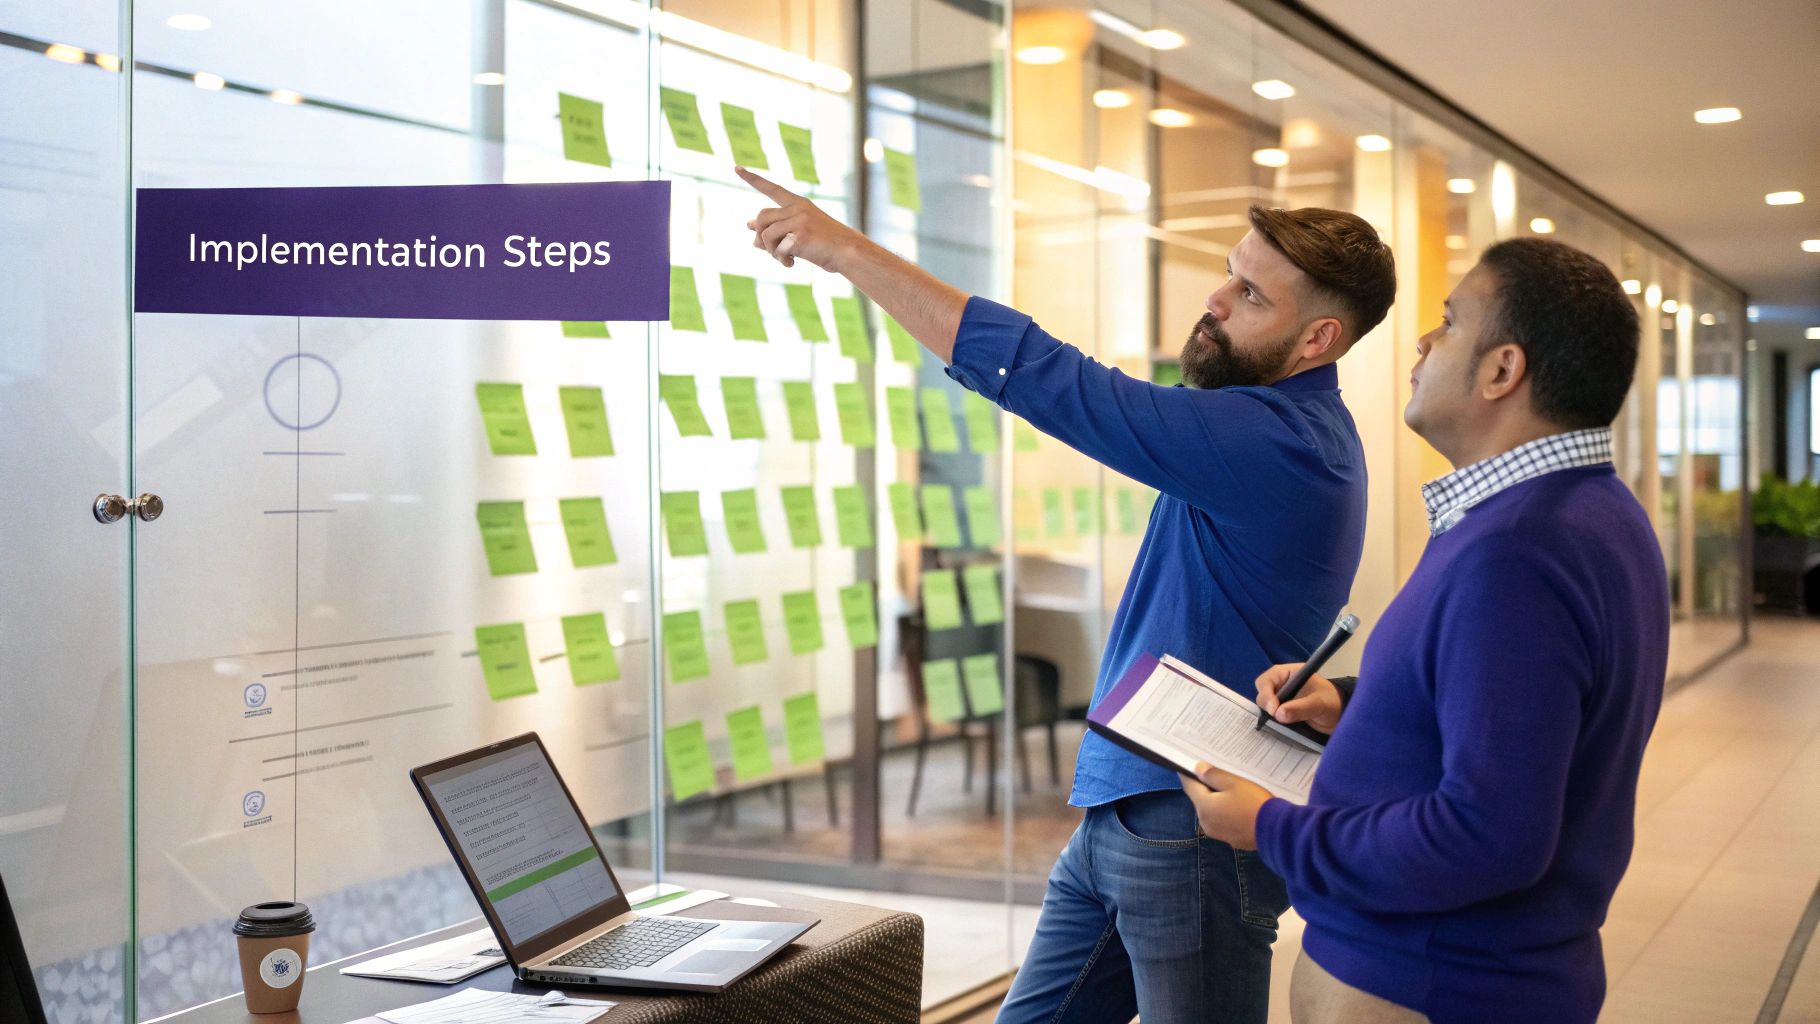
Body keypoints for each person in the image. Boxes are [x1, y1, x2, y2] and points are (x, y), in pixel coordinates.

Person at [739, 167, 1395, 1023]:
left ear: (1318, 339)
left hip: (1192, 828)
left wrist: (847, 252)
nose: (1215, 302)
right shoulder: (1272, 427)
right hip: (1131, 813)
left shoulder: (1278, 443)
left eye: (1250, 295)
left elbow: (1054, 379)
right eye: (1229, 274)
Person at [1182, 237, 1667, 1024]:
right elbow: (1522, 716)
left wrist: (1272, 828)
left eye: (1449, 321)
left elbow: (1489, 834)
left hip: (1426, 980)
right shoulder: (1594, 513)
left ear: (1502, 370)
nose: (1423, 340)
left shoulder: (1518, 550)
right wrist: (1353, 704)